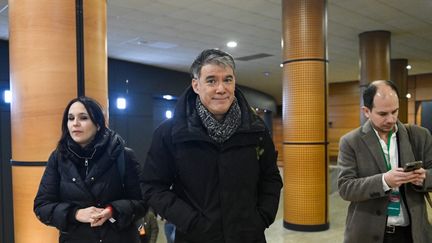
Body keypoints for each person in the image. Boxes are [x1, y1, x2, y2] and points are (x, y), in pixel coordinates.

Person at [141, 49, 283, 243]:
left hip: (249, 237)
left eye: (227, 79)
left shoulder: (256, 130)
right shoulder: (170, 133)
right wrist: (190, 221)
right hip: (195, 237)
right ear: (196, 85)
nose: (221, 88)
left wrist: (262, 216)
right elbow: (152, 187)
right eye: (211, 80)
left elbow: (271, 177)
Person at [34, 96, 146, 243]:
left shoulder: (123, 155)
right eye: (70, 118)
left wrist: (113, 210)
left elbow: (143, 201)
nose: (75, 123)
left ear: (98, 124)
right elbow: (42, 206)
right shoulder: (58, 158)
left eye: (83, 118)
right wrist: (75, 214)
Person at [337, 80, 432, 243]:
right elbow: (345, 188)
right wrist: (384, 181)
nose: (391, 119)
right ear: (366, 111)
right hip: (367, 233)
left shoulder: (419, 136)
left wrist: (424, 177)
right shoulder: (351, 142)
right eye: (383, 114)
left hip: (413, 233)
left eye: (395, 111)